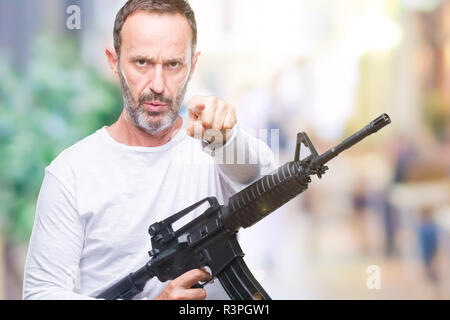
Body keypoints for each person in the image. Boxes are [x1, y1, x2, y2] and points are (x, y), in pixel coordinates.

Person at [23, 0, 275, 300]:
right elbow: (40, 294)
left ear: (192, 66)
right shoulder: (71, 174)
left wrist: (227, 139)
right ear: (113, 62)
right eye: (142, 62)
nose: (157, 84)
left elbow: (261, 175)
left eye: (173, 64)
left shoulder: (215, 148)